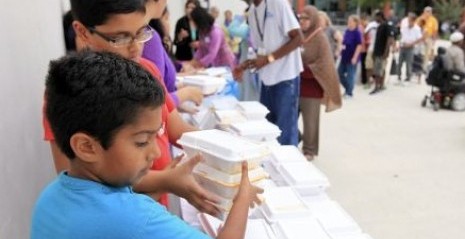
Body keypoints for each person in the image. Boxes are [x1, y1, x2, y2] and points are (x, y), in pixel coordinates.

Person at [31, 50, 263, 239]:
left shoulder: (49, 197)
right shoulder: (135, 219)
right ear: (86, 147)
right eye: (142, 141)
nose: (154, 152)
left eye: (157, 134)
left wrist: (165, 184)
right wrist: (241, 197)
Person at [43, 0, 220, 214]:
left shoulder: (147, 71)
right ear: (82, 31)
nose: (136, 47)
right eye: (120, 37)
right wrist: (165, 179)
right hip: (120, 219)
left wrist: (224, 146)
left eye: (141, 33)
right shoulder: (71, 93)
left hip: (158, 207)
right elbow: (77, 181)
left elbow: (176, 130)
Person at [234, 0, 304, 146]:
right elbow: (262, 49)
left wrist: (269, 59)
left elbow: (298, 38)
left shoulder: (278, 3)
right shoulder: (253, 11)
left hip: (286, 77)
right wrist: (244, 66)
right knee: (268, 131)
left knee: (285, 135)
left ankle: (287, 164)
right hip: (267, 79)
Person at [299, 6, 342, 161]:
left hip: (312, 88)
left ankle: (309, 150)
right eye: (301, 18)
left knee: (310, 123)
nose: (303, 22)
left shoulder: (320, 38)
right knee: (287, 118)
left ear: (314, 20)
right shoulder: (297, 35)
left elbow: (324, 65)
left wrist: (300, 69)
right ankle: (294, 140)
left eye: (306, 18)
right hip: (295, 86)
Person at [143, 3, 204, 112]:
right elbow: (154, 98)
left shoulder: (153, 38)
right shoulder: (151, 38)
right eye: (166, 18)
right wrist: (185, 93)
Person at [370, 11, 395, 95]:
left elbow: (389, 39)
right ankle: (381, 85)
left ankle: (377, 86)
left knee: (378, 70)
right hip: (377, 50)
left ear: (380, 16)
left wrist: (386, 51)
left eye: (376, 17)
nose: (375, 19)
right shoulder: (380, 26)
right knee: (380, 69)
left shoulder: (386, 26)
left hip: (381, 51)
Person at [338, 15, 363, 98]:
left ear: (355, 22)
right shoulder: (347, 31)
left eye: (350, 21)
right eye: (348, 21)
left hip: (352, 57)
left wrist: (355, 57)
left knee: (350, 75)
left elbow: (359, 45)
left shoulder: (357, 33)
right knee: (340, 72)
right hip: (344, 56)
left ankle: (349, 93)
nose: (348, 23)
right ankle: (348, 88)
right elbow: (343, 43)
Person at [397, 13, 423, 83]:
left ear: (413, 21)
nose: (408, 22)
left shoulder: (417, 29)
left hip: (410, 47)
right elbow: (402, 35)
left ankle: (408, 77)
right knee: (399, 62)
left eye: (410, 20)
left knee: (409, 63)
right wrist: (400, 43)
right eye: (408, 20)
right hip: (403, 45)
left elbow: (419, 39)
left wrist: (412, 44)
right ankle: (398, 75)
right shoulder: (404, 27)